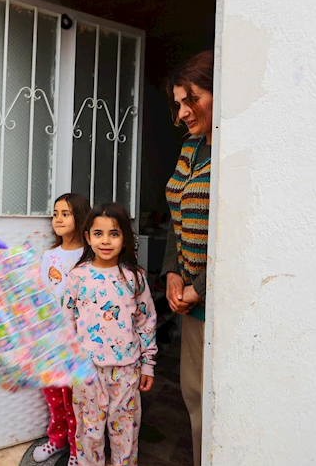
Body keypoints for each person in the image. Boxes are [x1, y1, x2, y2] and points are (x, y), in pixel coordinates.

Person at [64, 203, 157, 466]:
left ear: (125, 238)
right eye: (98, 233)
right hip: (86, 371)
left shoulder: (134, 277)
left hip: (126, 372)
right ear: (88, 237)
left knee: (125, 435)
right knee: (89, 434)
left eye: (114, 234)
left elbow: (146, 321)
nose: (105, 241)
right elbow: (66, 321)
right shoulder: (78, 276)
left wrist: (148, 364)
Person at [161, 50, 214, 466]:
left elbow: (239, 240)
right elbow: (175, 217)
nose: (181, 113)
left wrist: (199, 288)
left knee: (217, 412)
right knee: (194, 400)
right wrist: (172, 276)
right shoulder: (190, 148)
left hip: (217, 305)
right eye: (177, 103)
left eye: (189, 100)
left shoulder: (232, 155)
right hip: (191, 305)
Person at [33, 193, 91, 466]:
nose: (57, 218)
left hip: (76, 339)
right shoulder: (50, 255)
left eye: (65, 213)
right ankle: (57, 439)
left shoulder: (88, 257)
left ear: (79, 217)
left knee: (74, 400)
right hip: (50, 338)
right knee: (54, 396)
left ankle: (78, 450)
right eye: (55, 213)